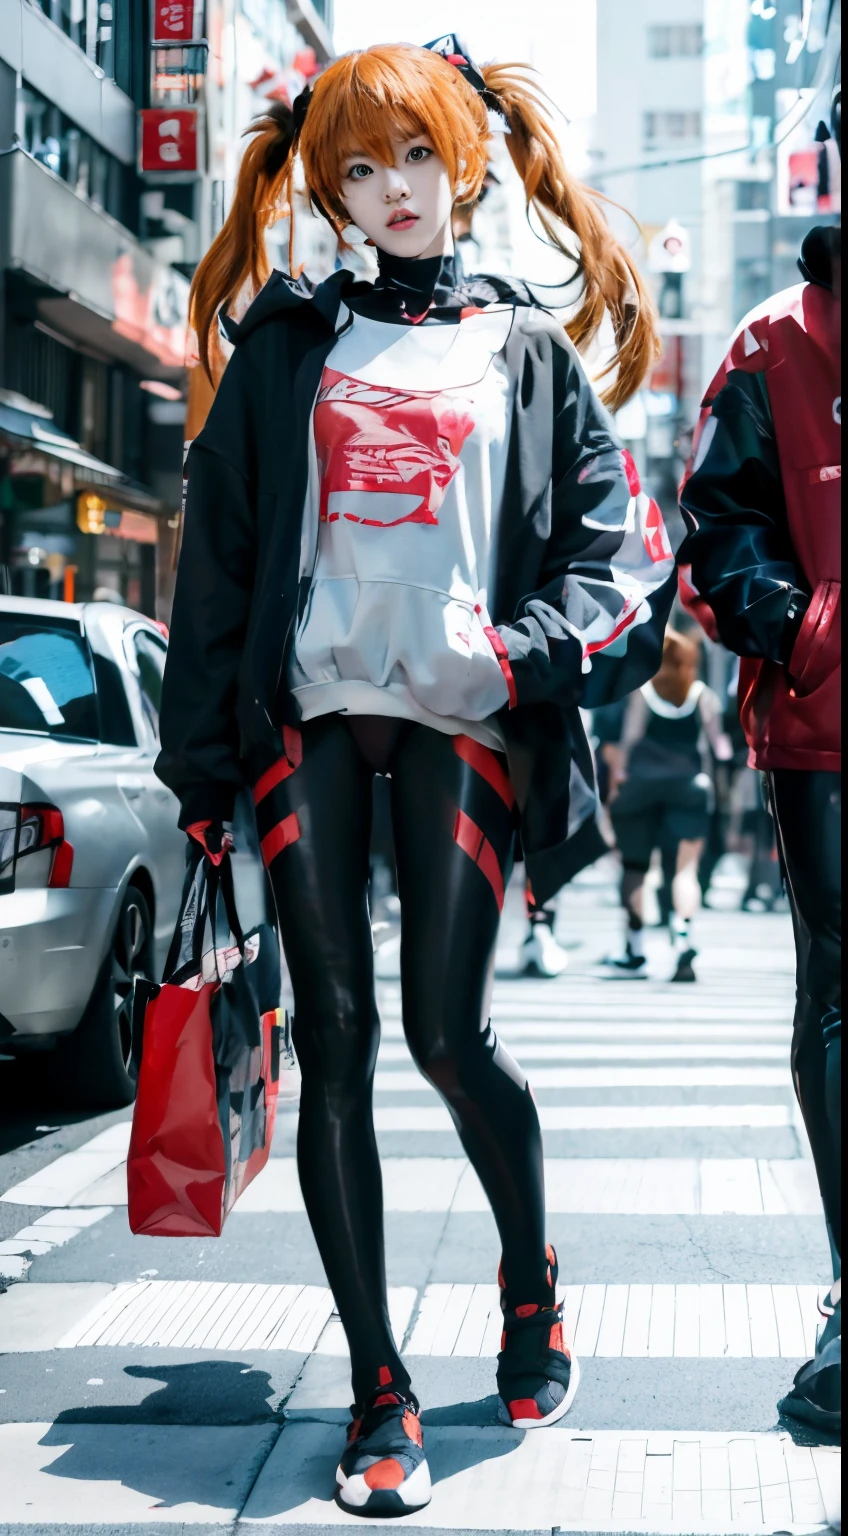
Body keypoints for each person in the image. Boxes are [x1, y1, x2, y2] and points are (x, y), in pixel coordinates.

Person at [156, 36, 677, 1516]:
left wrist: (515, 657)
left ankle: (530, 1278)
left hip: (466, 717)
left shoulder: (525, 347)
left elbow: (616, 563)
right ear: (327, 186)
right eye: (361, 168)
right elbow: (222, 563)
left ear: (469, 169)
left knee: (450, 1038)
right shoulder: (284, 344)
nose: (393, 190)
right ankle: (377, 1390)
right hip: (312, 714)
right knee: (336, 1035)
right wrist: (200, 760)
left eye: (418, 161)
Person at [679, 179, 840, 1432]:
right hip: (821, 732)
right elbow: (716, 530)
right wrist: (804, 630)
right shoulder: (770, 343)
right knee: (837, 1002)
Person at [601, 629, 731, 982]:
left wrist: (617, 785)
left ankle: (635, 949)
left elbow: (629, 739)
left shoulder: (643, 692)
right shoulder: (701, 694)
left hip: (640, 787)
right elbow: (718, 747)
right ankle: (683, 934)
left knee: (635, 867)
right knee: (685, 870)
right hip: (689, 787)